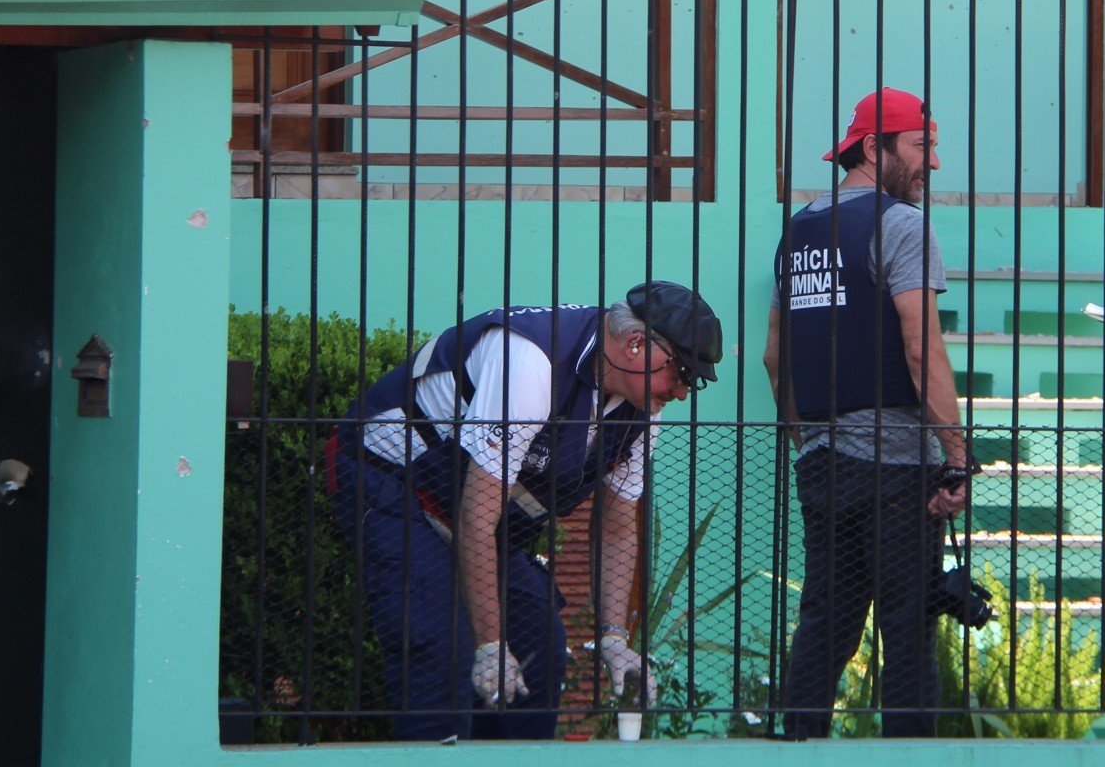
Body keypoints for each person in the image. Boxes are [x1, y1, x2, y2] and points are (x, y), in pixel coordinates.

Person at [327, 281, 721, 741]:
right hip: (393, 482)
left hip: (468, 507)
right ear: (636, 345)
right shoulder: (531, 363)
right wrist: (491, 646)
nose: (681, 393)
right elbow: (478, 514)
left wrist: (614, 637)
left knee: (540, 645)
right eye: (681, 375)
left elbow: (615, 529)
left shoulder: (641, 407)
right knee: (442, 651)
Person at [764, 88, 971, 739]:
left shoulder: (799, 229)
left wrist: (807, 438)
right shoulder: (903, 226)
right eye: (920, 147)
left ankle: (797, 748)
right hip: (895, 469)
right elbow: (920, 346)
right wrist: (958, 454)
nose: (931, 165)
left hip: (822, 464)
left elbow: (776, 356)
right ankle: (911, 756)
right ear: (874, 147)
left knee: (826, 619)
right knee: (907, 626)